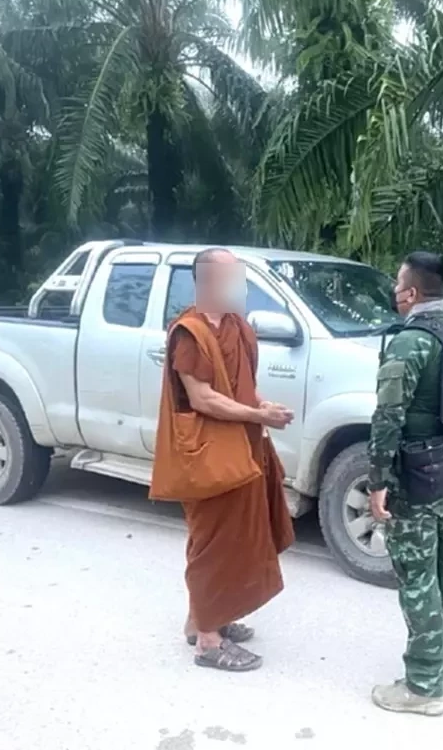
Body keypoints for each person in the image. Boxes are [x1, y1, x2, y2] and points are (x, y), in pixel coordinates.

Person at [150, 247, 296, 671]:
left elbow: (240, 389)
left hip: (243, 446)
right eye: (232, 278)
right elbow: (203, 397)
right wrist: (256, 414)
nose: (240, 286)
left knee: (235, 539)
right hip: (205, 454)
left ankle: (203, 621)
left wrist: (264, 407)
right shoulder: (189, 332)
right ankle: (208, 644)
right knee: (212, 542)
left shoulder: (237, 327)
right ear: (207, 281)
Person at [367, 251, 443, 717]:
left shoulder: (410, 342)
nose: (396, 291)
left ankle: (423, 685)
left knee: (418, 573)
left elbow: (388, 415)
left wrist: (377, 479)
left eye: (399, 283)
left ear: (411, 292)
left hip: (417, 473)